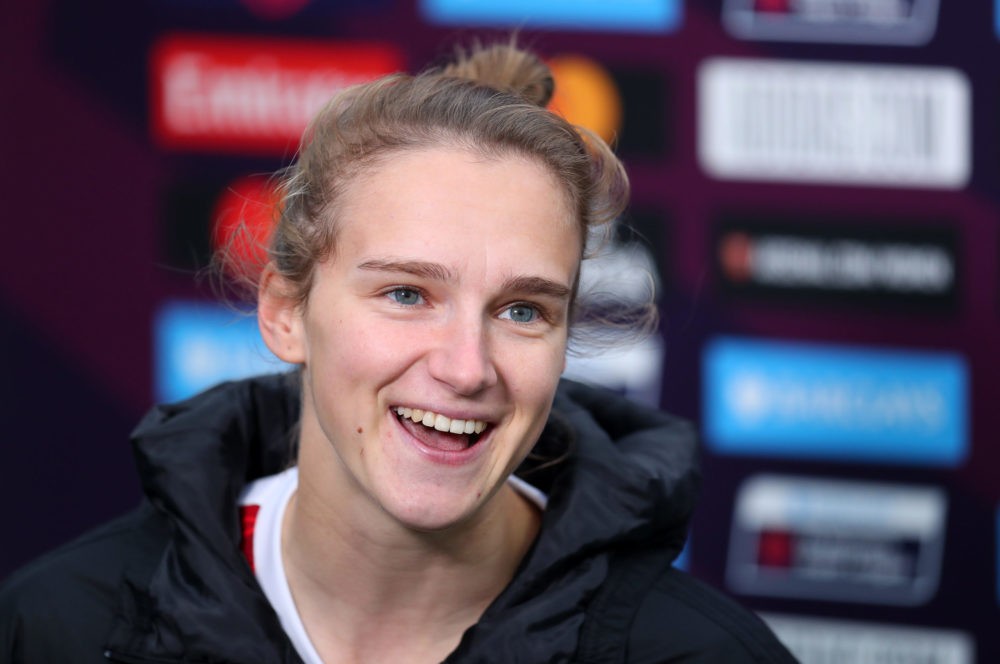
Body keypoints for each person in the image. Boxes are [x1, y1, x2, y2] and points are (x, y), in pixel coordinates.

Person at [0, 41, 797, 663]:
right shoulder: (61, 626)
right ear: (285, 311)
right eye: (407, 294)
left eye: (522, 310)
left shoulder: (700, 653)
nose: (464, 366)